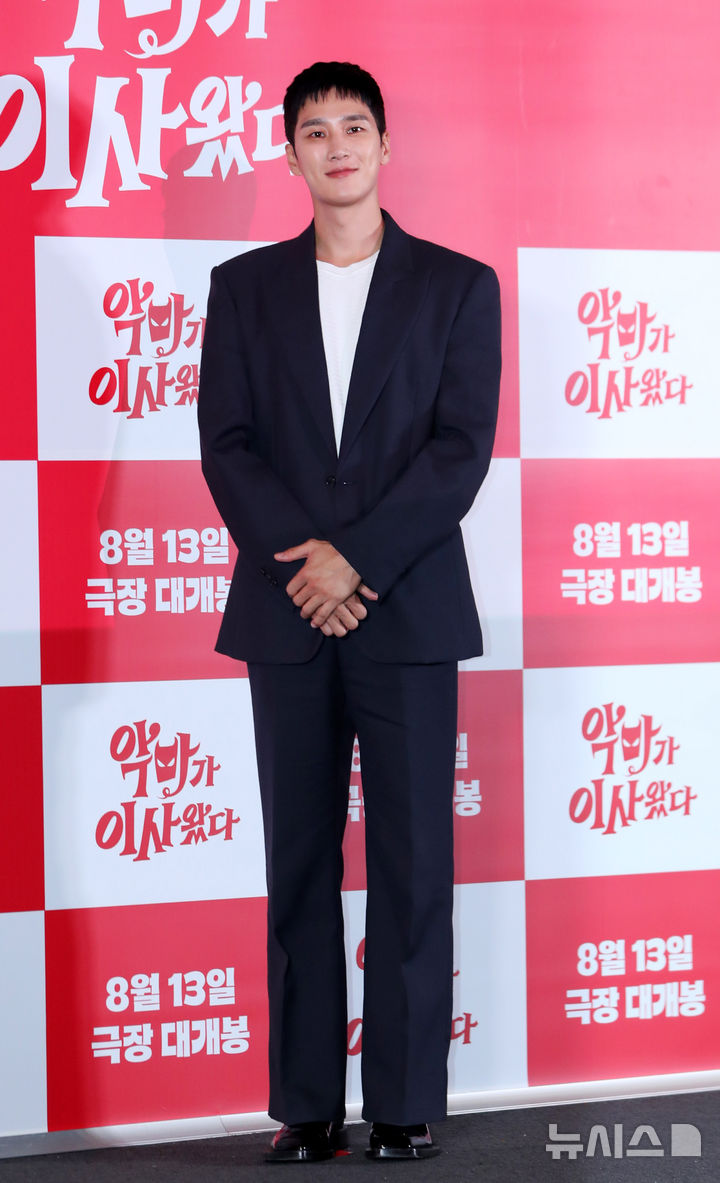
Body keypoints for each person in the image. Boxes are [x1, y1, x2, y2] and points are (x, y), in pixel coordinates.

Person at [197, 60, 501, 1163]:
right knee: (300, 863)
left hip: (407, 608)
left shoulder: (458, 286)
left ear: (384, 146)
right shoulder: (244, 288)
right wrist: (308, 569)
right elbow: (227, 444)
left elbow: (460, 449)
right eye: (315, 131)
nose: (336, 146)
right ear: (289, 155)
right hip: (288, 614)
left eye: (354, 127)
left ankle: (405, 1102)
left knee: (413, 863)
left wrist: (356, 564)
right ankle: (308, 1104)